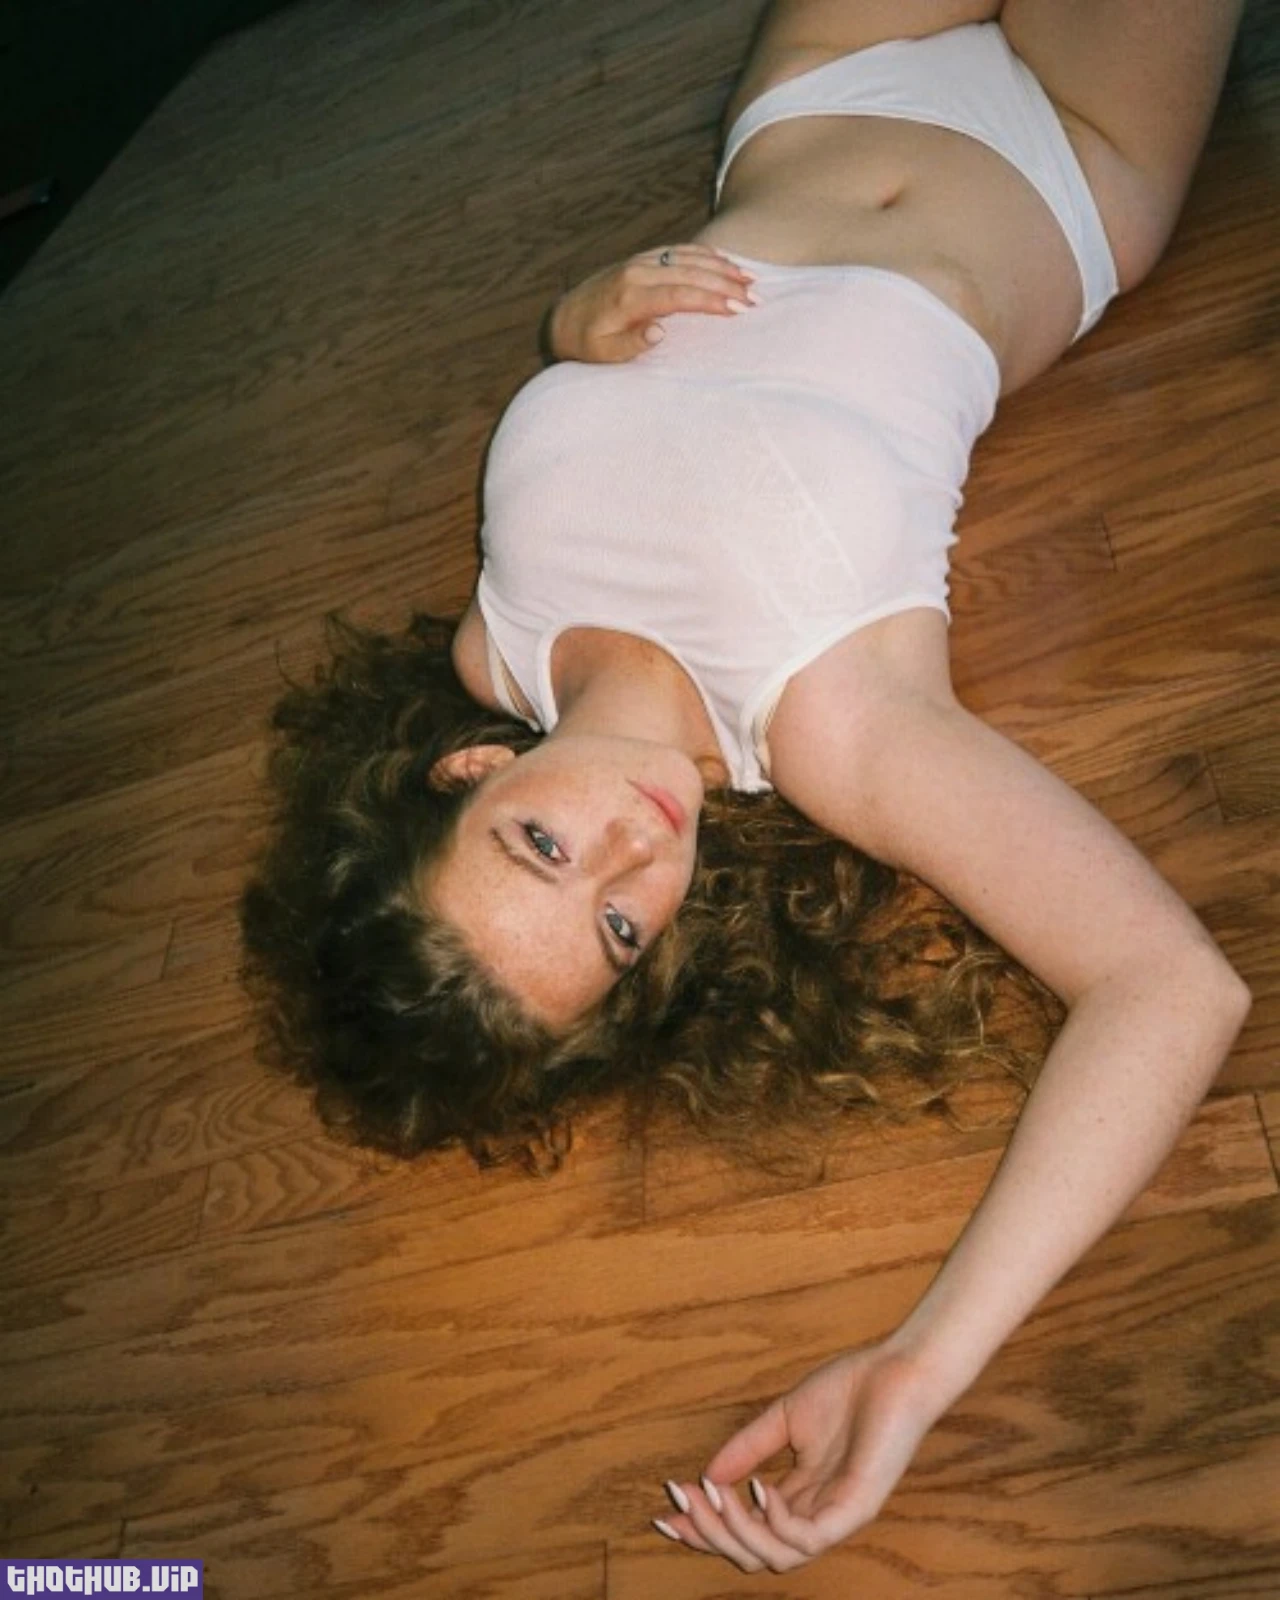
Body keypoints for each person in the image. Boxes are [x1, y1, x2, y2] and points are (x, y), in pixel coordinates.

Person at [241, 0, 1252, 1573]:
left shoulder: (498, 640)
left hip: (816, 90)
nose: (633, 855)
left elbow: (617, 388)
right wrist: (920, 1366)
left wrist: (573, 321)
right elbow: (1171, 988)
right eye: (621, 932)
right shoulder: (834, 723)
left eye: (539, 842)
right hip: (1067, 155)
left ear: (468, 767)